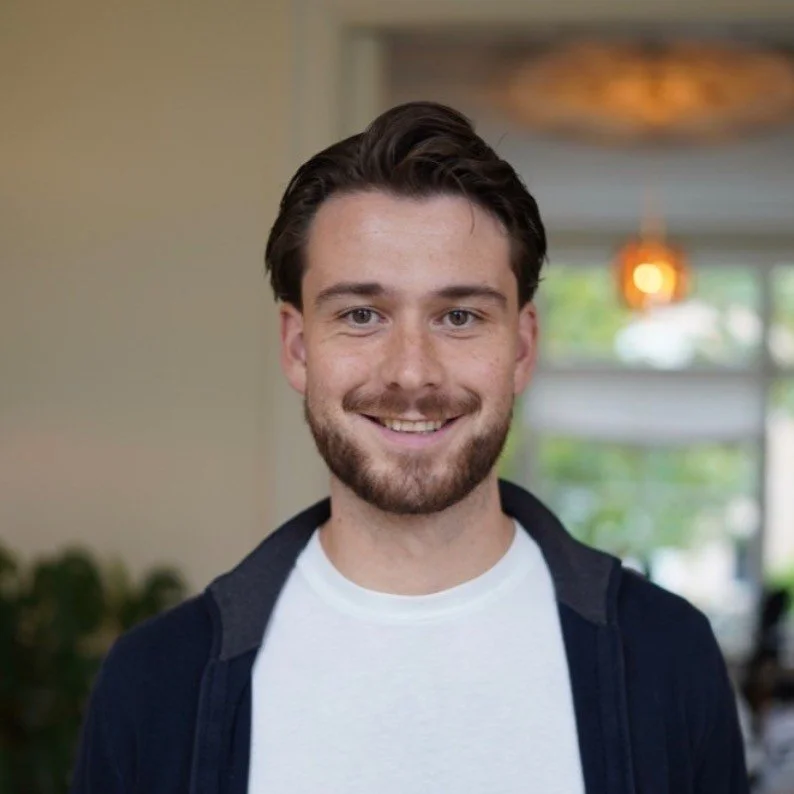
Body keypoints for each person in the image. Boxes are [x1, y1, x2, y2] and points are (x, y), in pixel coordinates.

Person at [71, 101, 749, 793]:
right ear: (298, 348)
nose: (412, 374)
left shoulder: (668, 657)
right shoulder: (154, 683)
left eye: (459, 316)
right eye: (362, 315)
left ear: (521, 347)